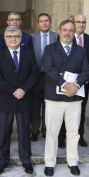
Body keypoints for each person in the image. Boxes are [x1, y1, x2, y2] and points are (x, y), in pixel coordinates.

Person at [42, 19, 89, 176]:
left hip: (74, 98)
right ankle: (50, 162)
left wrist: (75, 86)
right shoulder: (50, 49)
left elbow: (86, 71)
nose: (67, 33)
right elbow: (48, 69)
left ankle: (72, 161)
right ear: (59, 30)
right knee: (52, 131)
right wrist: (65, 84)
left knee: (73, 132)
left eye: (71, 30)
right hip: (54, 98)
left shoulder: (81, 51)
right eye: (64, 30)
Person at [0, 26, 38, 174]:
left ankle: (26, 160)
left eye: (16, 36)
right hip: (5, 99)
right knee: (4, 132)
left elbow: (34, 75)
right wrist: (13, 91)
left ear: (21, 38)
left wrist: (23, 89)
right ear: (4, 39)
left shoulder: (29, 54)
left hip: (24, 99)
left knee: (24, 132)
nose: (13, 39)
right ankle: (2, 160)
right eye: (9, 36)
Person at [58, 14, 89, 148]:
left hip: (82, 83)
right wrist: (67, 83)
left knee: (80, 111)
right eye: (78, 22)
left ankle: (80, 136)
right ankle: (61, 138)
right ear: (73, 24)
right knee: (63, 111)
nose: (81, 24)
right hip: (65, 83)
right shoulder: (65, 37)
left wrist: (84, 81)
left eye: (83, 22)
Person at [30, 13, 59, 141]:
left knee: (49, 106)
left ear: (50, 22)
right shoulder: (32, 38)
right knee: (35, 106)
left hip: (51, 77)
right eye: (41, 21)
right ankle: (34, 130)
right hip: (36, 77)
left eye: (46, 21)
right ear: (38, 23)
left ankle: (46, 130)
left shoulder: (56, 37)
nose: (44, 23)